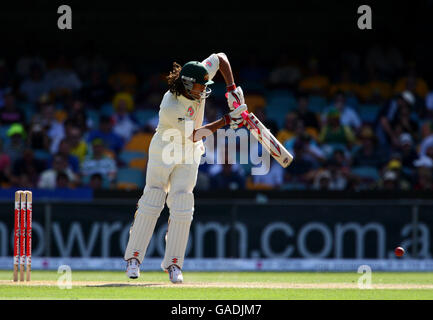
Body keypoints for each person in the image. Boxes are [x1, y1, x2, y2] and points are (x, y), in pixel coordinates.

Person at [124, 53, 247, 283]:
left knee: (182, 202)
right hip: (166, 148)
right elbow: (194, 134)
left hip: (190, 152)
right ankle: (134, 258)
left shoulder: (198, 73)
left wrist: (231, 88)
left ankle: (174, 265)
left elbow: (220, 58)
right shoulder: (171, 105)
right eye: (203, 86)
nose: (205, 90)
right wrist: (227, 120)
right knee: (153, 198)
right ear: (189, 84)